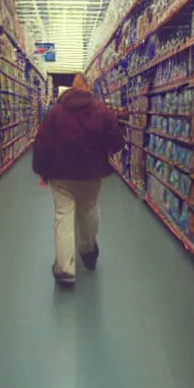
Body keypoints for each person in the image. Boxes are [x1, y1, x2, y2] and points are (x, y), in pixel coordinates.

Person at [32, 73, 125, 288]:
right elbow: (116, 143)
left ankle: (65, 269)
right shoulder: (102, 111)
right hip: (91, 174)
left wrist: (41, 170)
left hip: (60, 174)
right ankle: (88, 250)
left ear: (70, 90)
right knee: (89, 209)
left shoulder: (55, 113)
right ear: (88, 88)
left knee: (63, 215)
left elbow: (42, 143)